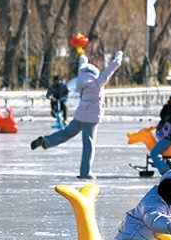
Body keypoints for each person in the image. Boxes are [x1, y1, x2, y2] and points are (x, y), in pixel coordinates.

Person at [30, 50, 124, 179]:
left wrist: (83, 57)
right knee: (88, 145)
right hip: (91, 119)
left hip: (80, 115)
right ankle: (85, 173)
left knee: (66, 133)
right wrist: (118, 56)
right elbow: (112, 68)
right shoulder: (98, 83)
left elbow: (82, 64)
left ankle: (46, 141)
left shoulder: (81, 81)